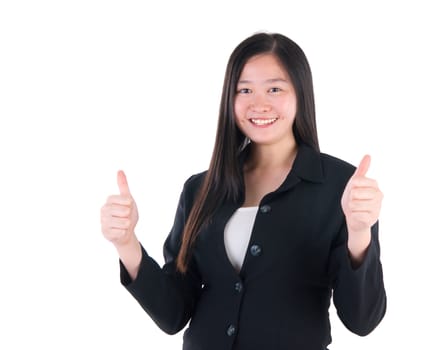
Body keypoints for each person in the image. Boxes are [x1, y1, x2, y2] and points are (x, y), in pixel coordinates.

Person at [100, 32, 386, 350]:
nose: (258, 104)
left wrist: (359, 234)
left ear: (300, 95)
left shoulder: (341, 187)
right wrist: (126, 244)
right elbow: (173, 313)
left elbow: (362, 320)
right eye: (244, 90)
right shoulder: (201, 189)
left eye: (274, 89)